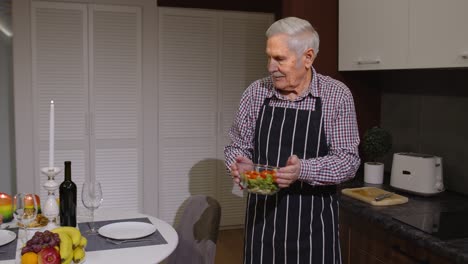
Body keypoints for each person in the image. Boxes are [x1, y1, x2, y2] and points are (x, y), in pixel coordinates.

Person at [224, 17, 360, 264]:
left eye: (280, 59)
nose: (270, 67)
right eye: (269, 57)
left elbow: (348, 161)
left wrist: (302, 170)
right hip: (262, 225)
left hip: (315, 227)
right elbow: (236, 146)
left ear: (308, 58)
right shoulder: (256, 93)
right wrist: (240, 165)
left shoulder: (336, 95)